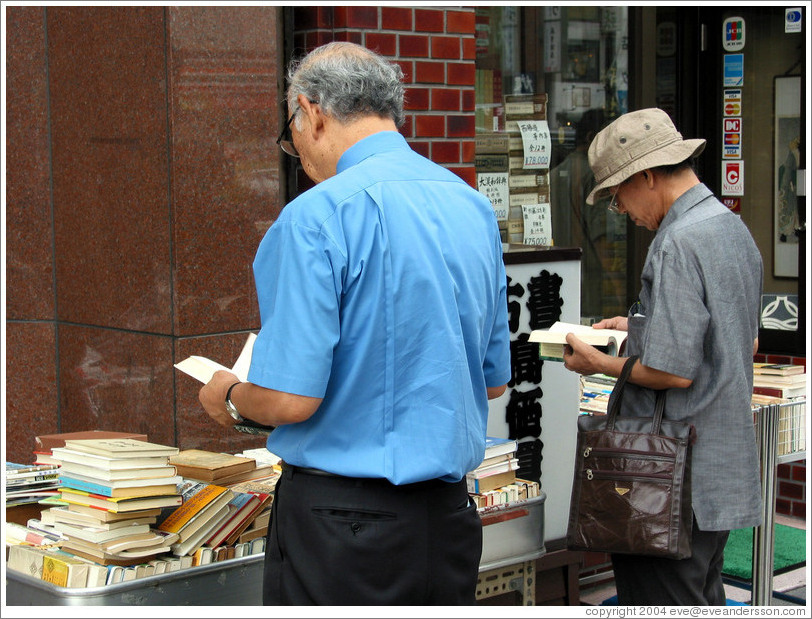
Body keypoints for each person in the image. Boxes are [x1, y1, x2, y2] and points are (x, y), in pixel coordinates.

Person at [198, 41, 511, 605]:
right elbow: (491, 381)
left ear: (310, 110)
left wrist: (232, 397)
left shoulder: (316, 218)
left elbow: (292, 401)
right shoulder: (473, 206)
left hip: (340, 526)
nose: (296, 146)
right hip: (447, 519)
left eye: (290, 128)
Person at [561, 108, 763, 605]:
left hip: (668, 480)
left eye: (618, 195)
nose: (622, 210)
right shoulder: (729, 227)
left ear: (647, 176)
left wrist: (599, 364)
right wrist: (640, 326)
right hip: (720, 471)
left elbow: (673, 372)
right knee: (704, 599)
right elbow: (741, 338)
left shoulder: (676, 242)